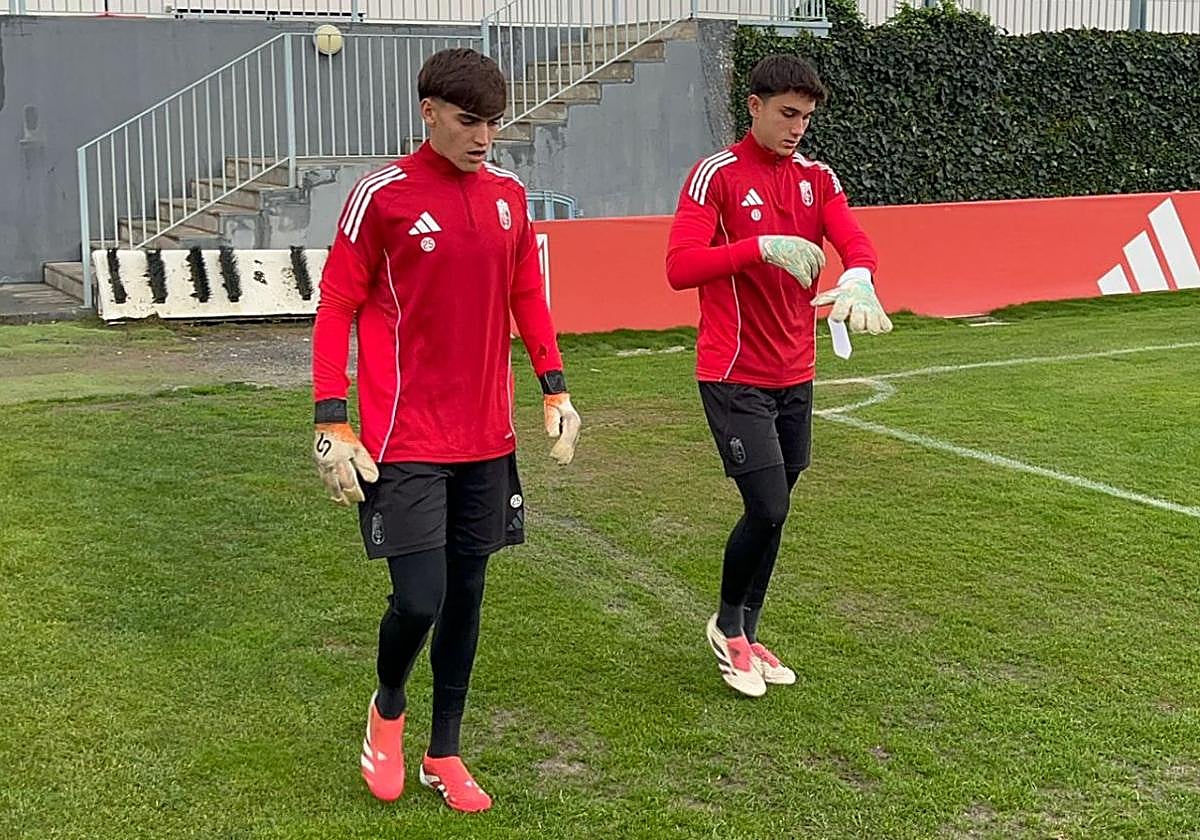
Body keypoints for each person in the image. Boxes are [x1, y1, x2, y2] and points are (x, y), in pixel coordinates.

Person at [310, 47, 581, 812]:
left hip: (487, 438)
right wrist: (332, 416)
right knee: (420, 599)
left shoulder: (508, 196)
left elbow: (527, 290)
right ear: (428, 111)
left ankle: (445, 751)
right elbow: (336, 306)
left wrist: (555, 389)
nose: (484, 137)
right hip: (402, 439)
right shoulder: (382, 196)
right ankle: (388, 706)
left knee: (467, 595)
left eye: (493, 122)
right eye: (468, 121)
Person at [665, 54, 891, 698]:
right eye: (787, 114)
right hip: (735, 374)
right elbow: (680, 267)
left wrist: (858, 275)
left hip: (796, 373)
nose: (797, 128)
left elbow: (856, 240)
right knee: (767, 503)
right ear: (755, 106)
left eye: (807, 117)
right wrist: (757, 247)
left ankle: (747, 630)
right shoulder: (717, 176)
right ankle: (727, 630)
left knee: (775, 511)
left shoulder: (817, 178)